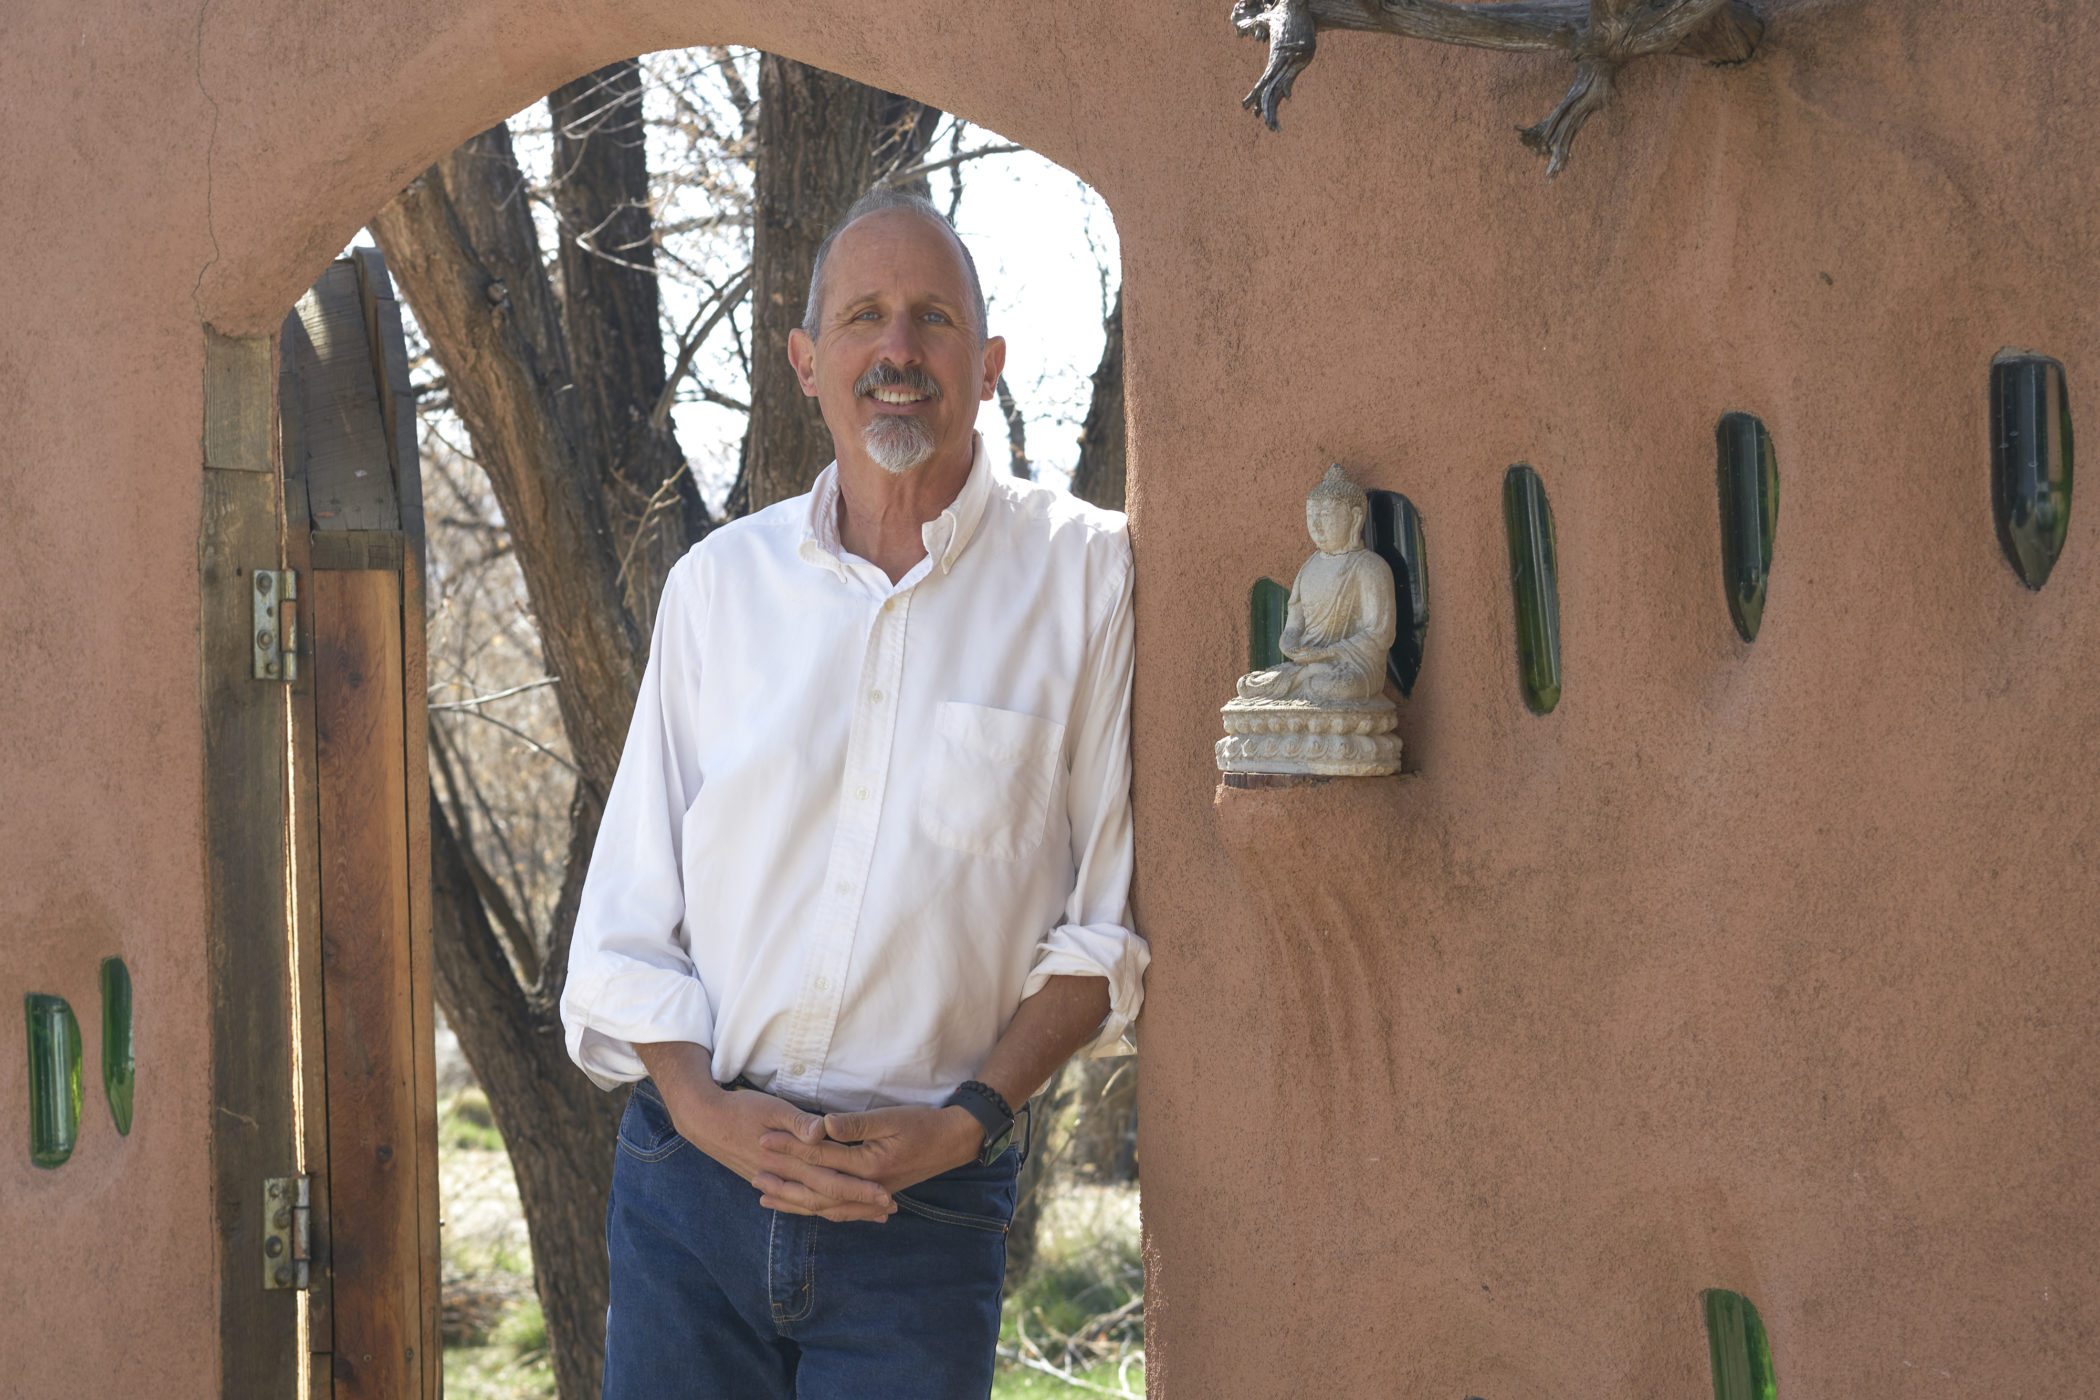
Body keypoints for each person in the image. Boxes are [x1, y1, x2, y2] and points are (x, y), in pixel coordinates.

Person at [559, 186, 1147, 1400]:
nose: (897, 349)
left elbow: (1103, 930)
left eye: (932, 319)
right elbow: (628, 914)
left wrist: (967, 1119)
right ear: (805, 361)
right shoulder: (718, 588)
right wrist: (702, 1107)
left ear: (986, 364)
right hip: (691, 1194)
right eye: (865, 318)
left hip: (919, 1211)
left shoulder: (1086, 575)